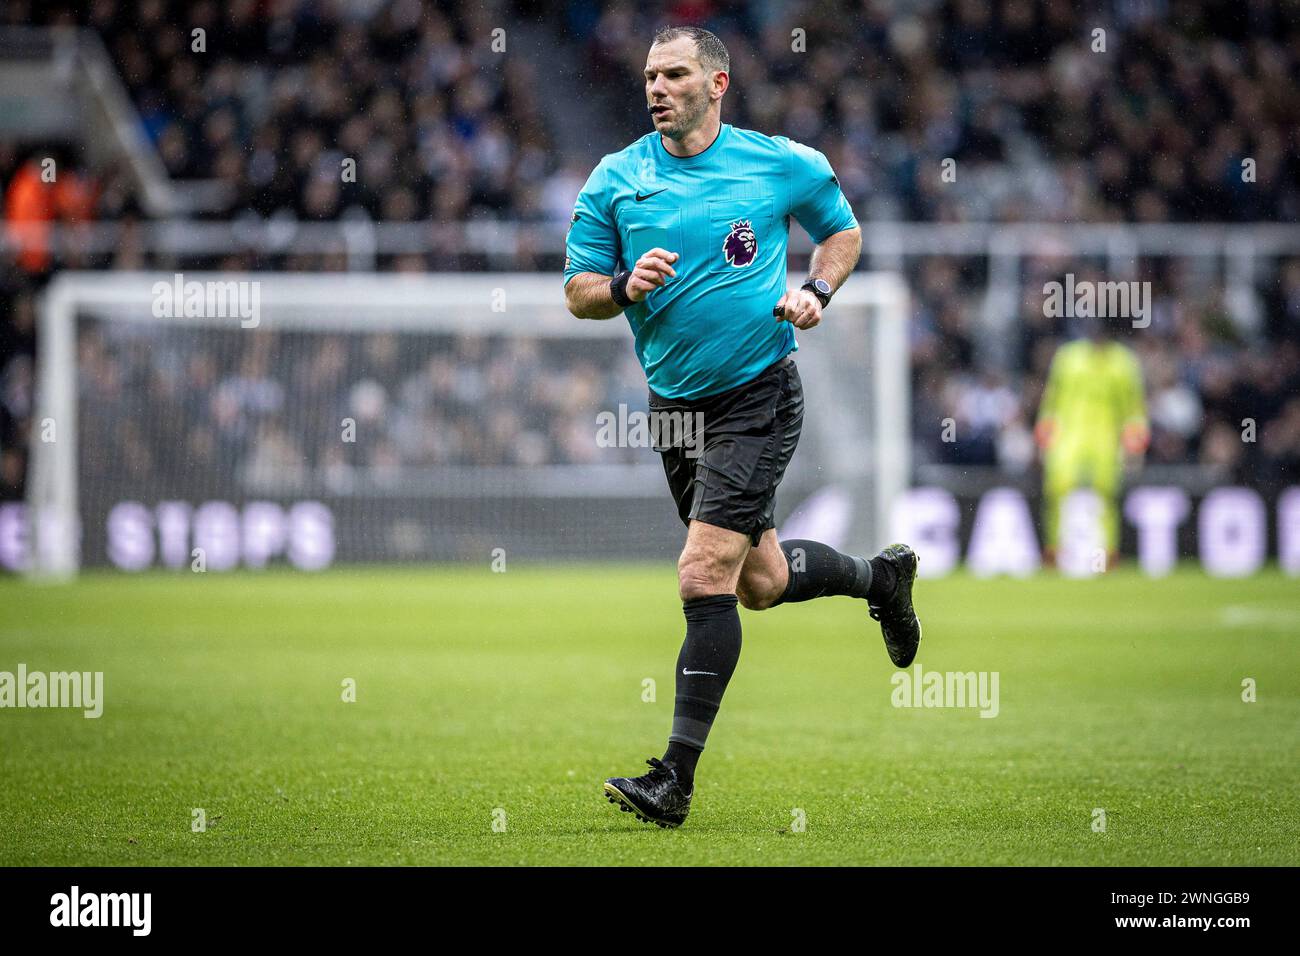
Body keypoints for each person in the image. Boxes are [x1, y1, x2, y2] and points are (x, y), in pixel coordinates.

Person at [563, 26, 922, 829]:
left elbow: (843, 232)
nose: (657, 88)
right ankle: (880, 580)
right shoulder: (616, 180)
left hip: (758, 395)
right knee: (756, 584)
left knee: (701, 575)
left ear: (716, 83)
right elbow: (578, 291)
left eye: (675, 73)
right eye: (651, 75)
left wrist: (817, 293)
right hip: (676, 410)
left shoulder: (779, 163)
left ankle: (674, 781)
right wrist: (623, 285)